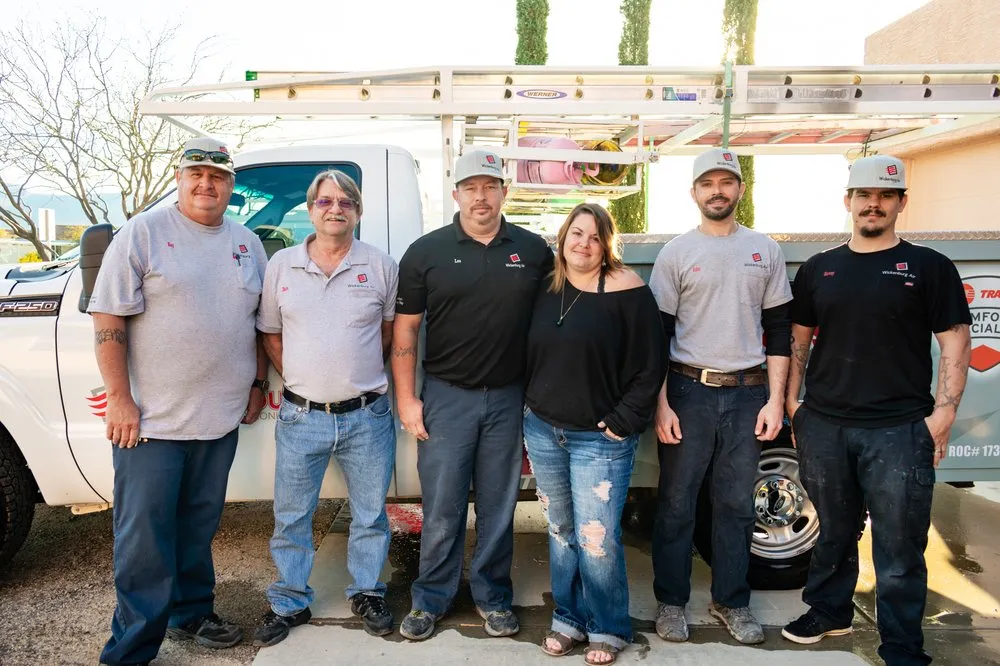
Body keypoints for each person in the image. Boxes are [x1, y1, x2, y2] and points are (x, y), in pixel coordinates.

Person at [781, 155, 972, 666]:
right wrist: (796, 404)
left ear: (901, 203)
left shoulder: (929, 267)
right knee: (833, 529)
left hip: (899, 429)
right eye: (864, 195)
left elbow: (955, 342)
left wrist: (944, 413)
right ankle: (829, 611)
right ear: (848, 202)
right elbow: (800, 339)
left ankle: (902, 645)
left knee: (899, 547)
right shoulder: (820, 268)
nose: (874, 203)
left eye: (886, 195)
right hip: (825, 424)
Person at [89, 137, 269, 666]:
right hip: (152, 423)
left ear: (232, 186)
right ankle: (131, 649)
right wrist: (120, 399)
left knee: (197, 525)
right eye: (196, 174)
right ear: (179, 178)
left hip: (219, 420)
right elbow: (108, 319)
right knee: (144, 538)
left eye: (217, 176)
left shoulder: (247, 243)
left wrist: (257, 384)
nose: (206, 184)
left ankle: (192, 613)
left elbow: (257, 326)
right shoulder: (142, 234)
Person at [391, 149, 554, 641]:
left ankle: (493, 597)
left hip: (508, 399)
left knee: (499, 506)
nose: (481, 196)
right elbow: (405, 333)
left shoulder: (533, 251)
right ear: (456, 193)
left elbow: (551, 327)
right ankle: (431, 599)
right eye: (471, 187)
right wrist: (407, 399)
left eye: (490, 186)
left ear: (504, 190)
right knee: (441, 508)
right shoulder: (426, 252)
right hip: (446, 397)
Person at [648, 147, 793, 646]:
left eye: (726, 182)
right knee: (676, 503)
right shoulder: (676, 253)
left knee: (735, 504)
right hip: (688, 391)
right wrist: (661, 403)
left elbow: (779, 331)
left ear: (740, 190)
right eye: (708, 183)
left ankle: (731, 601)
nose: (717, 190)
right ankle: (671, 602)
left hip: (750, 393)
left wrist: (776, 400)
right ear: (694, 192)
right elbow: (658, 337)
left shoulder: (764, 251)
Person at [253, 170, 399, 646]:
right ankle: (289, 600)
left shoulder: (380, 265)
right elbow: (270, 333)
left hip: (367, 416)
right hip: (300, 416)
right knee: (292, 515)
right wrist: (298, 376)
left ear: (358, 211)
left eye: (346, 202)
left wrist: (353, 375)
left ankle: (368, 592)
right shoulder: (282, 266)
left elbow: (389, 331)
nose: (335, 209)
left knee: (371, 513)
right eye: (325, 201)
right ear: (311, 209)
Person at [522, 203, 665, 665]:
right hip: (544, 430)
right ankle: (568, 618)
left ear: (607, 245)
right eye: (576, 234)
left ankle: (608, 626)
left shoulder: (628, 291)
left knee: (596, 535)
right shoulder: (545, 288)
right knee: (561, 530)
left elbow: (651, 363)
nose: (583, 244)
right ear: (562, 238)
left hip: (599, 439)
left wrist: (625, 419)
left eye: (594, 237)